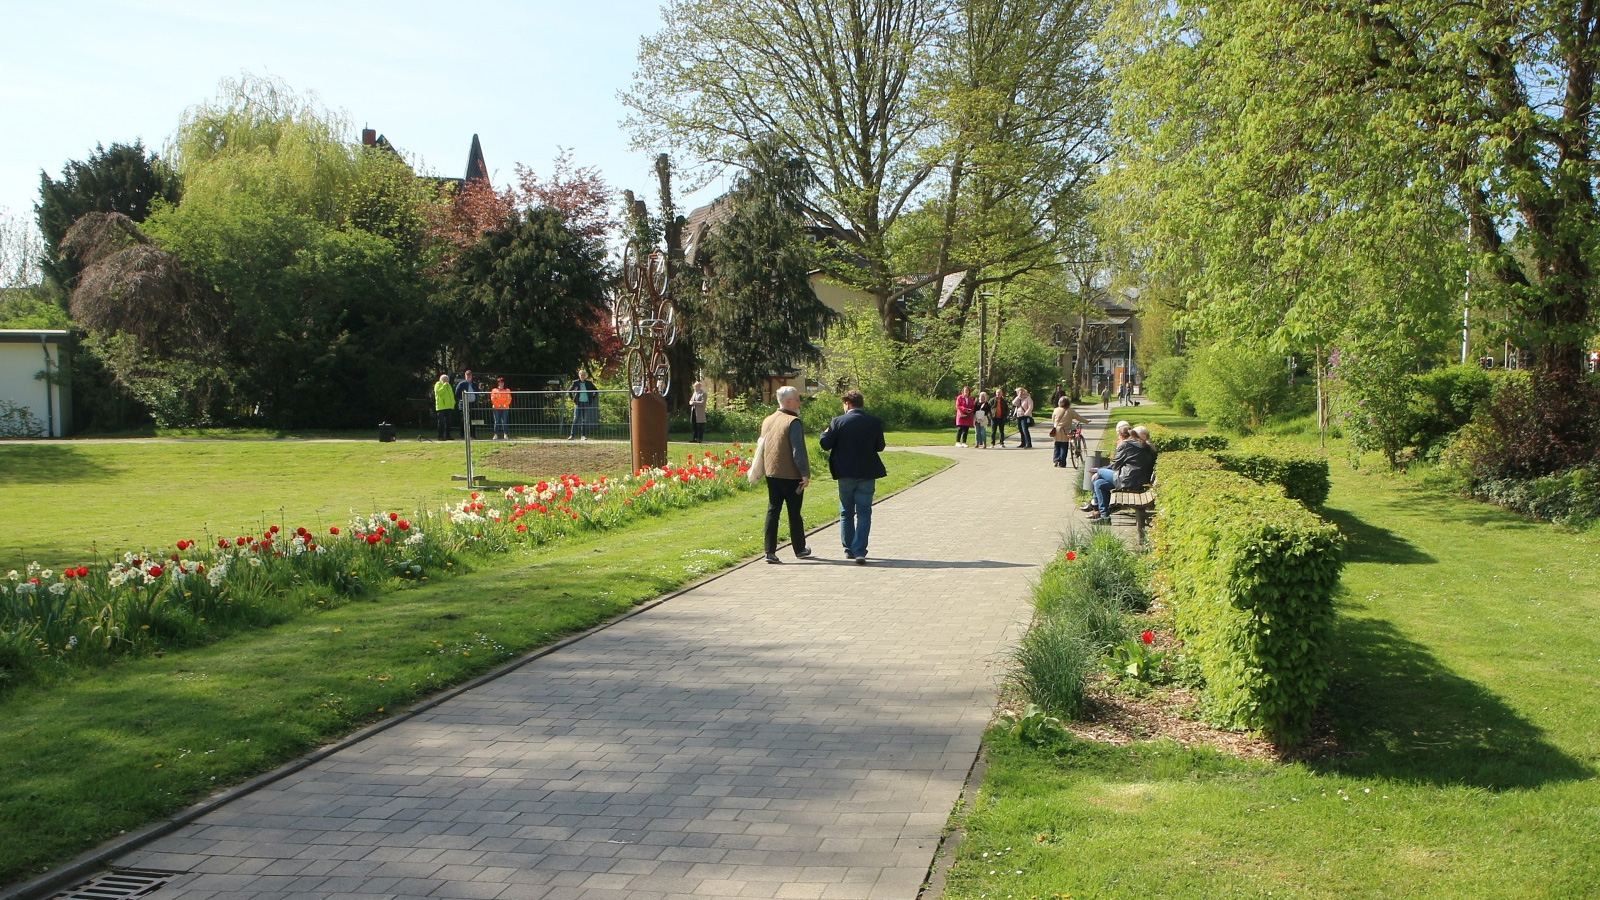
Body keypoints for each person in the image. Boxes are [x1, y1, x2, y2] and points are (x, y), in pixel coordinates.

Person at [818, 389, 887, 564]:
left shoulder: (837, 422)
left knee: (846, 512)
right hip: (867, 473)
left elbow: (825, 444)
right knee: (864, 512)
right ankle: (859, 550)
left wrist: (825, 432)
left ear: (847, 404)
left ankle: (848, 549)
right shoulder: (874, 422)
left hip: (845, 473)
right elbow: (880, 446)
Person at [759, 386, 813, 563]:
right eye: (797, 399)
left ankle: (769, 551)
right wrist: (804, 473)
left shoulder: (768, 420)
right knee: (794, 512)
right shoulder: (793, 422)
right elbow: (798, 451)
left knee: (773, 510)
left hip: (771, 472)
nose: (799, 402)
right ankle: (799, 549)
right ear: (789, 402)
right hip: (791, 474)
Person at [1088, 422, 1156, 521]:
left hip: (1127, 480)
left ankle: (1094, 503)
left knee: (1099, 473)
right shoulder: (1147, 447)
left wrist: (1098, 471)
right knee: (1099, 483)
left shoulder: (1128, 445)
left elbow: (1115, 466)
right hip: (1137, 480)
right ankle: (1104, 516)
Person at [1050, 397, 1091, 468]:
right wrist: (1087, 421)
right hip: (1065, 431)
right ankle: (1062, 463)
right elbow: (1079, 418)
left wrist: (1055, 425)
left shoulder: (1056, 410)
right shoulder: (1070, 411)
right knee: (1064, 446)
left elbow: (1053, 420)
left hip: (1057, 430)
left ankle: (1055, 460)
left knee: (1057, 445)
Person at [567, 369, 598, 440]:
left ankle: (583, 436)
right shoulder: (575, 382)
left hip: (586, 402)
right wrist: (573, 399)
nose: (583, 376)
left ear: (585, 376)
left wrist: (591, 399)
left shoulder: (589, 383)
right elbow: (569, 391)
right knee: (575, 419)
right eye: (581, 375)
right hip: (578, 403)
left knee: (584, 420)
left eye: (584, 375)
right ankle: (572, 435)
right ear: (579, 375)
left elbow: (596, 391)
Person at [454, 369, 479, 440]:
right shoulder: (461, 384)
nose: (469, 377)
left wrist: (476, 400)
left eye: (470, 375)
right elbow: (457, 394)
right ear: (465, 376)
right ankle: (462, 435)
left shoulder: (475, 384)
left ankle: (473, 435)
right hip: (464, 404)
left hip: (473, 404)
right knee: (464, 420)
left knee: (473, 420)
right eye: (467, 376)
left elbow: (477, 393)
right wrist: (464, 399)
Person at [432, 373, 454, 441]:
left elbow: (451, 394)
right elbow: (438, 393)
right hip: (441, 407)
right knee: (441, 422)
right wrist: (444, 386)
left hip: (449, 406)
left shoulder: (449, 385)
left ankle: (447, 435)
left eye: (447, 380)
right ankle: (440, 436)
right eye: (445, 380)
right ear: (441, 380)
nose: (446, 382)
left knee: (448, 422)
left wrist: (453, 403)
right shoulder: (438, 384)